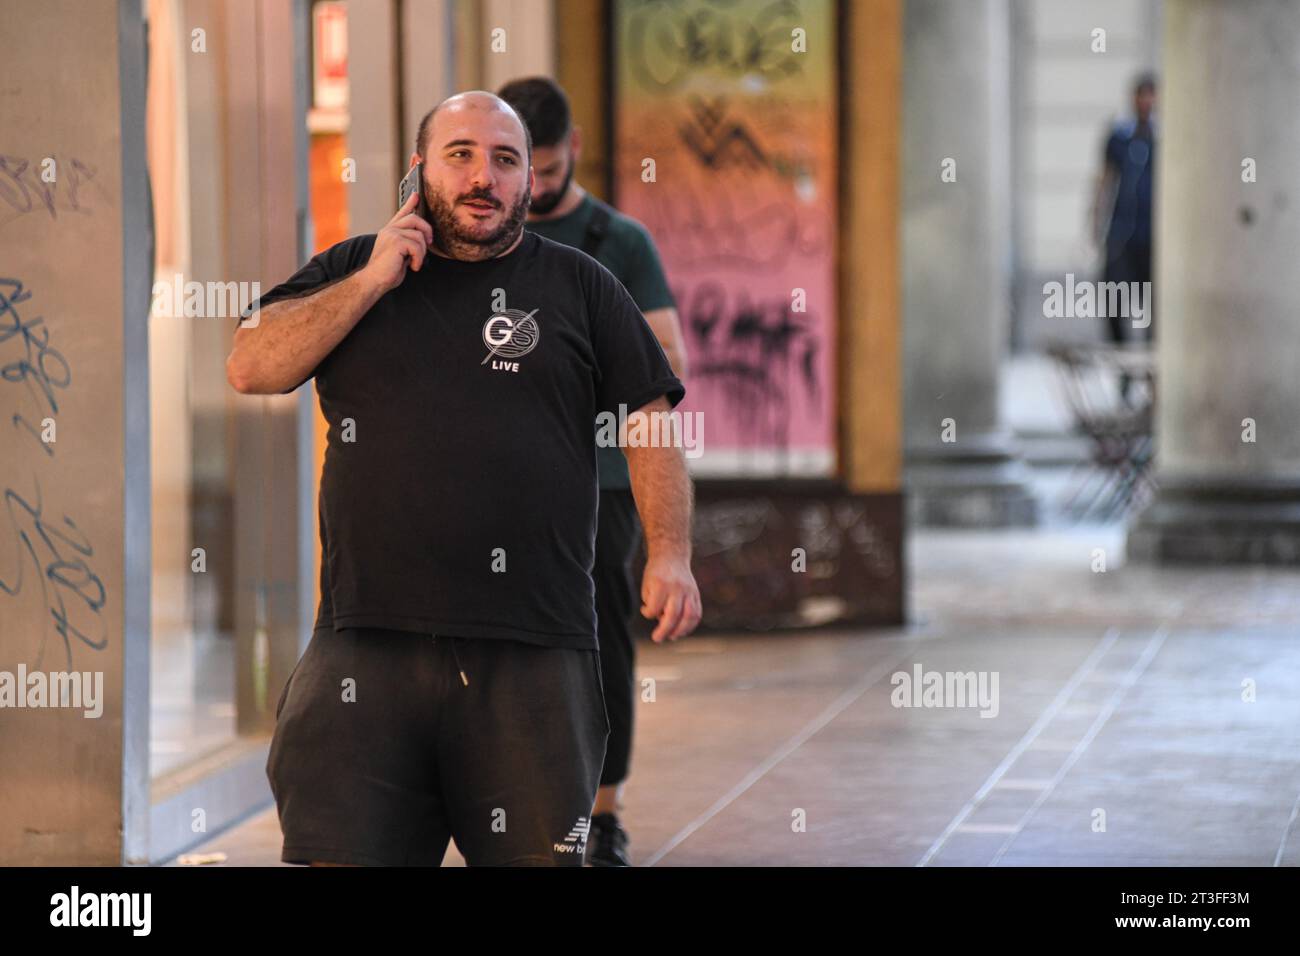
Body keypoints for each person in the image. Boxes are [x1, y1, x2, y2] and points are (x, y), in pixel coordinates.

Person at [226, 90, 702, 867]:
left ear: (527, 183)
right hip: (365, 641)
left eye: (505, 161)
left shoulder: (581, 285)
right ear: (420, 172)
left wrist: (670, 552)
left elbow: (649, 417)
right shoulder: (354, 269)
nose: (484, 176)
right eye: (461, 155)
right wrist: (373, 279)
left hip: (534, 650)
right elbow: (250, 365)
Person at [498, 76, 689, 868]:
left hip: (603, 482)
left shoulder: (619, 242)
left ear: (573, 150)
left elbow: (666, 361)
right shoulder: (479, 232)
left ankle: (603, 812)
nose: (532, 187)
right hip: (501, 478)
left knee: (602, 640)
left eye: (544, 169)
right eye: (522, 170)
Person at [1092, 73, 1157, 350]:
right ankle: (1123, 364)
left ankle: (1153, 366)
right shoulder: (1119, 137)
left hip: (1153, 236)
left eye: (1150, 95)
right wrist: (1095, 221)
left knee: (1154, 304)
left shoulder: (1163, 137)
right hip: (1122, 234)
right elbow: (1104, 180)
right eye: (1141, 95)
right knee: (1114, 297)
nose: (1145, 101)